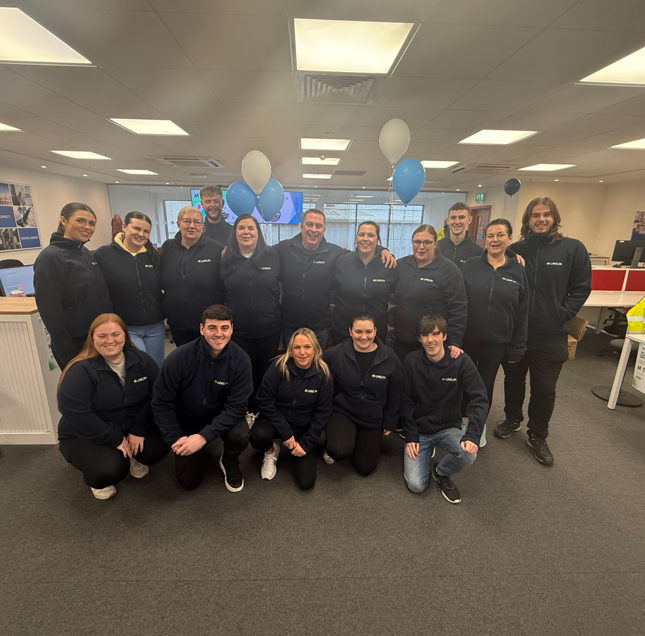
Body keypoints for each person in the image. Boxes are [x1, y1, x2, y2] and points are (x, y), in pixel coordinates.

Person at [496, 197, 591, 465]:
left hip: (551, 334)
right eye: (535, 215)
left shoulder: (572, 249)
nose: (541, 219)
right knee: (513, 380)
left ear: (554, 218)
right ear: (527, 220)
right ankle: (512, 418)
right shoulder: (515, 250)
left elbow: (582, 287)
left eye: (546, 214)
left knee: (545, 388)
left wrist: (562, 313)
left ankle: (537, 435)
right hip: (517, 333)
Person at [57, 314, 169, 500]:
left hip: (130, 425)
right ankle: (97, 479)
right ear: (92, 338)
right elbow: (78, 415)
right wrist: (114, 438)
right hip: (87, 433)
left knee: (158, 448)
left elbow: (156, 396)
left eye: (116, 334)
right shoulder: (80, 371)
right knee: (109, 469)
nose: (110, 340)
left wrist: (139, 429)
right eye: (102, 336)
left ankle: (131, 455)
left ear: (125, 335)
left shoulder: (142, 361)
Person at [152, 305, 253, 492]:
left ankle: (228, 460)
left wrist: (203, 436)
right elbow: (161, 403)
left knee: (240, 435)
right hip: (188, 419)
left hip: (221, 415)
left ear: (231, 329)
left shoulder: (241, 360)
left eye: (224, 328)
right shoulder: (179, 358)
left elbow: (237, 407)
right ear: (201, 329)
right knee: (189, 483)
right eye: (212, 328)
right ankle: (199, 450)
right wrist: (175, 438)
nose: (219, 334)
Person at [274, 209, 396, 349]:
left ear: (324, 230)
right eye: (309, 224)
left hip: (320, 326)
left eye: (318, 226)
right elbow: (264, 252)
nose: (314, 229)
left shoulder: (334, 253)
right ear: (301, 226)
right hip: (290, 324)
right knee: (292, 361)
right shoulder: (284, 248)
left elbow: (363, 251)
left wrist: (382, 250)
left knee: (320, 362)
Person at [402, 315, 488, 504]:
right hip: (420, 430)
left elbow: (480, 398)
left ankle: (440, 471)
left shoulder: (461, 361)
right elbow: (406, 401)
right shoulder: (411, 361)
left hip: (447, 427)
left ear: (444, 336)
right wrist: (411, 435)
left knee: (468, 454)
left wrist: (473, 434)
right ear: (419, 338)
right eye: (425, 335)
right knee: (416, 485)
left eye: (435, 334)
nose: (430, 340)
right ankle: (426, 452)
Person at [461, 219, 529, 446]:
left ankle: (477, 425)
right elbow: (458, 301)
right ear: (484, 240)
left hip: (497, 342)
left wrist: (518, 344)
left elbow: (522, 311)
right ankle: (462, 421)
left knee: (484, 385)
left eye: (500, 235)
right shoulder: (470, 265)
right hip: (467, 337)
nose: (495, 240)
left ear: (510, 239)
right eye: (490, 235)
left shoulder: (518, 270)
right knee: (462, 381)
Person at [251, 329, 333, 489]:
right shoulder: (278, 366)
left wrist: (306, 443)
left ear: (315, 349)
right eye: (297, 347)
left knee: (306, 482)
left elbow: (323, 412)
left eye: (307, 347)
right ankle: (271, 452)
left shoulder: (323, 374)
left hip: (303, 429)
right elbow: (263, 399)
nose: (302, 352)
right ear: (290, 349)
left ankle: (299, 448)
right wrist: (286, 433)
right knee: (257, 436)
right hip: (276, 422)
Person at [34, 203, 112, 369]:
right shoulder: (49, 258)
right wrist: (70, 356)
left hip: (100, 338)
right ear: (64, 220)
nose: (87, 227)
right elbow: (51, 313)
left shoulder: (85, 253)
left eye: (92, 223)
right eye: (80, 220)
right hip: (76, 345)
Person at [322, 312, 402, 476]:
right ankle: (335, 442)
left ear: (375, 331)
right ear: (350, 331)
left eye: (368, 332)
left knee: (365, 468)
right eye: (358, 331)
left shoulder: (389, 358)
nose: (363, 337)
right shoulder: (335, 354)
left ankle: (356, 440)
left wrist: (390, 421)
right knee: (338, 451)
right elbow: (318, 375)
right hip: (343, 412)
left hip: (372, 416)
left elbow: (395, 393)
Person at [220, 214, 281, 409]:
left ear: (258, 232)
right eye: (241, 228)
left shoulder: (272, 255)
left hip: (269, 328)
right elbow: (222, 293)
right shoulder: (226, 259)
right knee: (244, 372)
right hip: (240, 330)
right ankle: (247, 409)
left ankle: (264, 409)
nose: (246, 232)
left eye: (251, 228)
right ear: (235, 233)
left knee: (266, 371)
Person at [94, 211, 165, 366]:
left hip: (155, 326)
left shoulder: (153, 256)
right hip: (125, 326)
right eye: (136, 229)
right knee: (136, 366)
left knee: (156, 367)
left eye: (146, 231)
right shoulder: (103, 255)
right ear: (124, 226)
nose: (141, 234)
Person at [394, 224, 468, 362]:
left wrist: (454, 341)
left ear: (435, 244)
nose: (421, 246)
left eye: (427, 242)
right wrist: (383, 250)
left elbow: (458, 309)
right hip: (402, 342)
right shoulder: (401, 265)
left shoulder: (449, 270)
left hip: (431, 344)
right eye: (417, 242)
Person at [159, 205, 224, 347]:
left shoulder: (216, 249)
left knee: (208, 358)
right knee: (184, 358)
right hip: (177, 322)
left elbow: (225, 283)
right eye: (187, 221)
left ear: (203, 226)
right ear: (178, 224)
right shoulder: (168, 248)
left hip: (209, 322)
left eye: (197, 222)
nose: (192, 226)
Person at [330, 221, 398, 345]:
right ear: (356, 238)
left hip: (375, 331)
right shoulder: (342, 262)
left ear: (377, 240)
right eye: (361, 234)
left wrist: (384, 250)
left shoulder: (388, 264)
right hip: (343, 330)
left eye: (370, 235)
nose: (365, 239)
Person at [437, 202, 483, 270]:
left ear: (469, 220)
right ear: (448, 221)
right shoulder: (436, 247)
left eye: (461, 217)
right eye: (453, 217)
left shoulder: (478, 252)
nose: (457, 222)